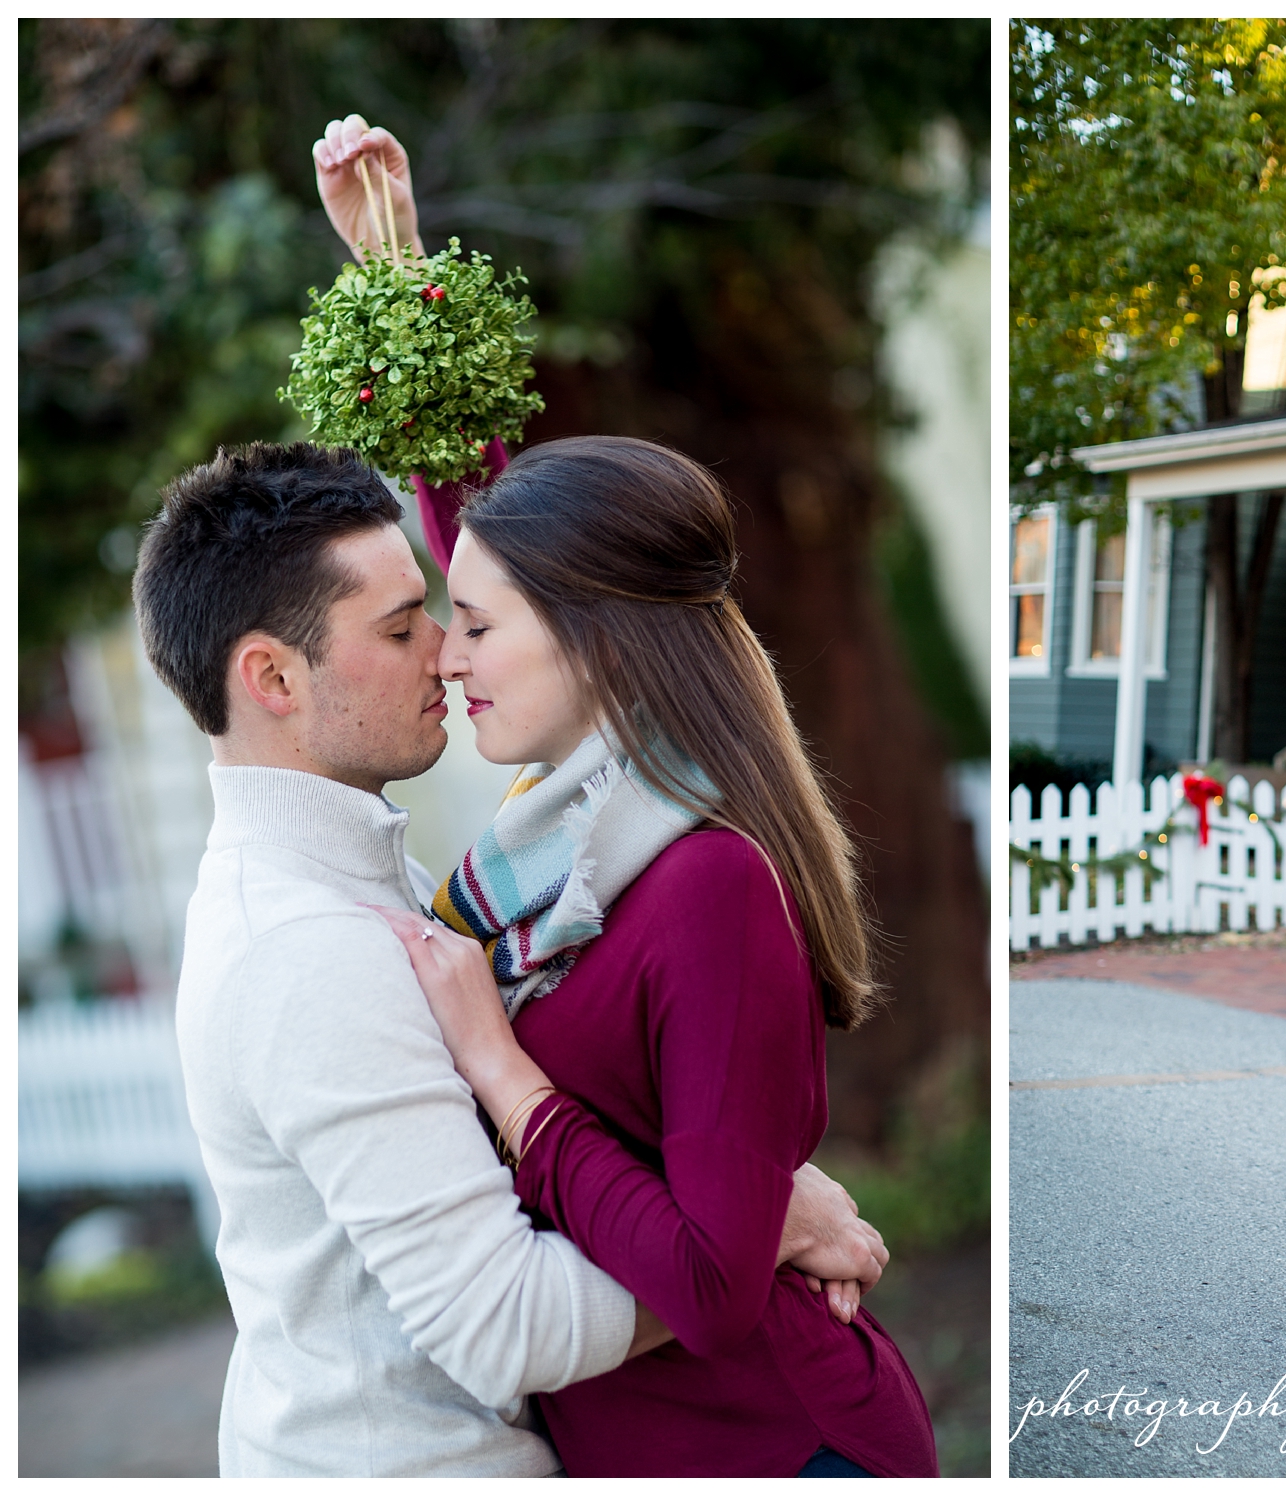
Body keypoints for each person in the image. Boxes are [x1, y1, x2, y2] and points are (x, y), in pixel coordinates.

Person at [319, 117, 937, 1476]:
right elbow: (502, 541)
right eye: (445, 624)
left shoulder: (701, 883)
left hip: (775, 1446)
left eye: (473, 629)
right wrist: (395, 278)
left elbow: (713, 1291)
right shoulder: (575, 841)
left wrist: (502, 1069)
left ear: (598, 634)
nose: (449, 656)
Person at [136, 442, 886, 1476]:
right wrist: (758, 1232)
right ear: (270, 675)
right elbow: (505, 1320)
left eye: (461, 621)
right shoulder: (308, 947)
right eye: (406, 627)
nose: (444, 651)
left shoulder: (445, 881)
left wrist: (732, 1212)